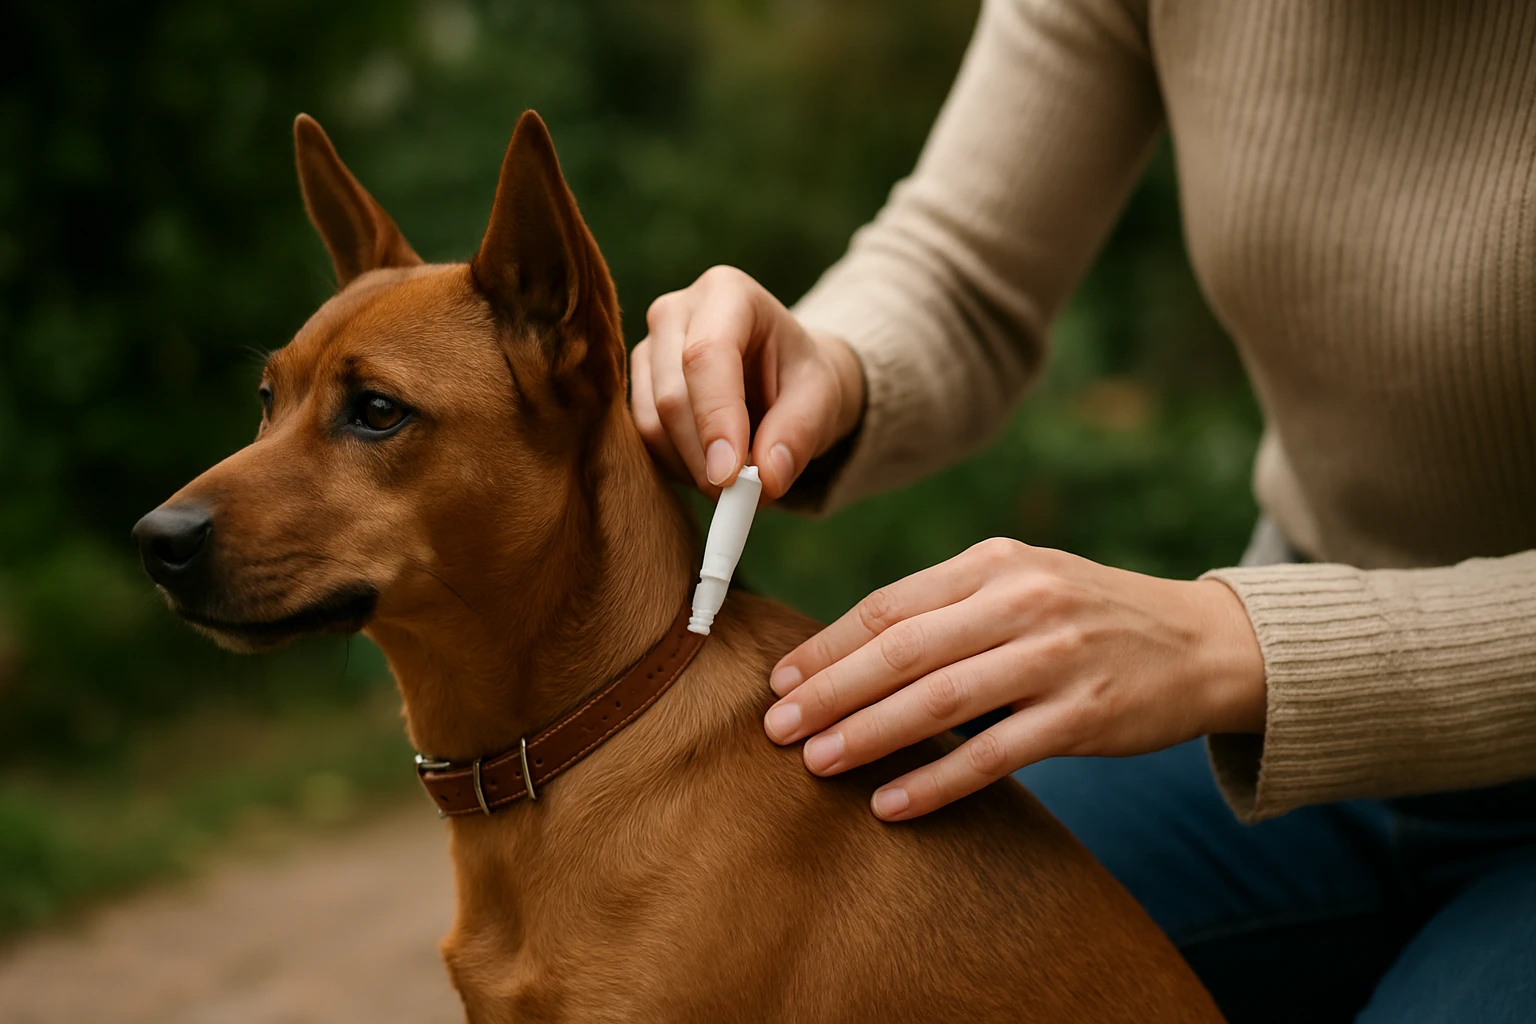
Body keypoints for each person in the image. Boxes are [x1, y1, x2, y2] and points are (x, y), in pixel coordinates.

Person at [630, 1, 1536, 1020]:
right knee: (869, 917)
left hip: (1319, 690)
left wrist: (1238, 646)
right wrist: (826, 358)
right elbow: (962, 268)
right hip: (1296, 762)